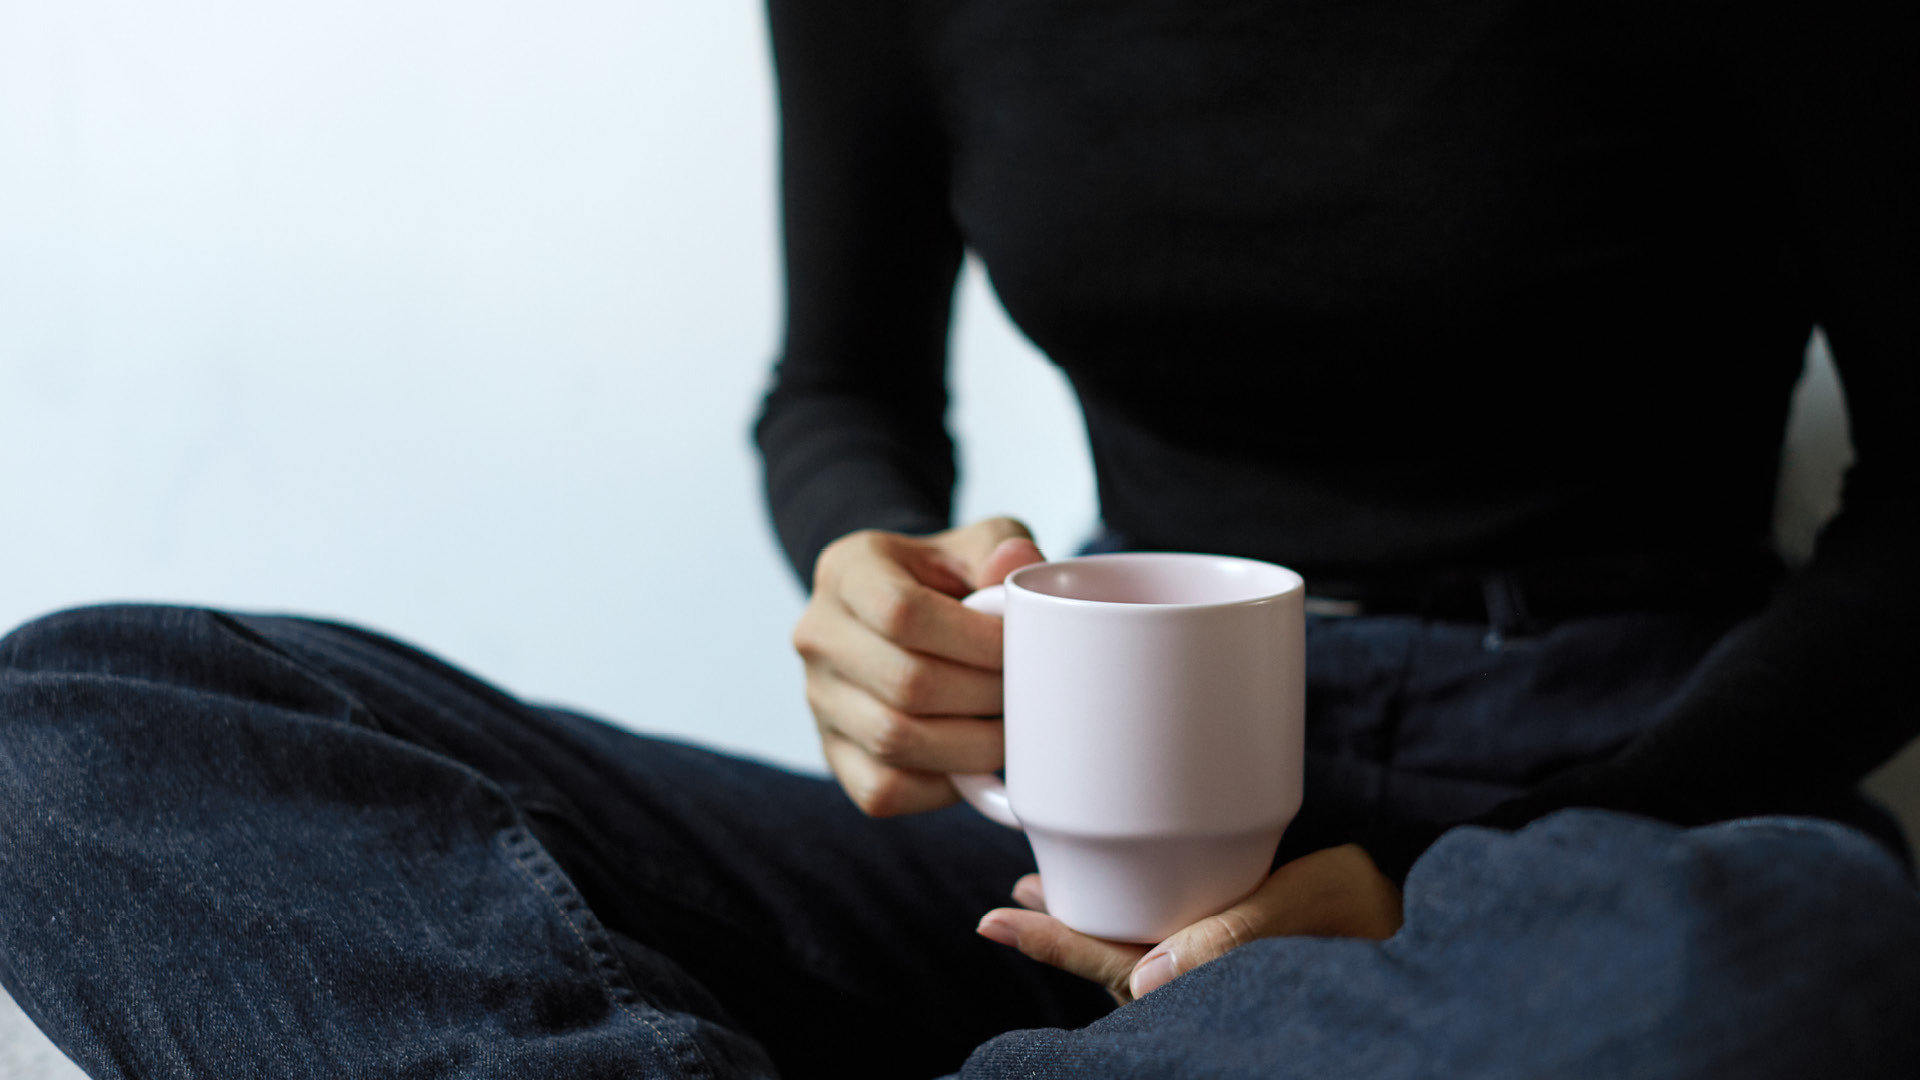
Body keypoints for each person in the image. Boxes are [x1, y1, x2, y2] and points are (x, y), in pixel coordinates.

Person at [2, 0, 1916, 1076]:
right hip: (1087, 815)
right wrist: (871, 571)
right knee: (71, 728)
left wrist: (1444, 885)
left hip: (1619, 790)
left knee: (1784, 973)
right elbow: (836, 391)